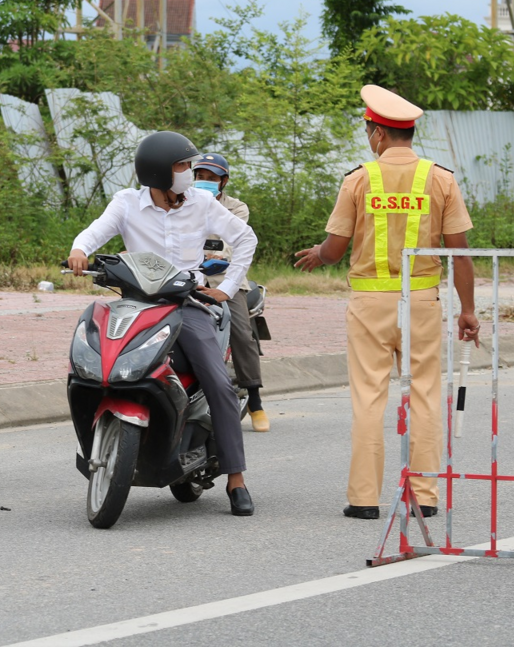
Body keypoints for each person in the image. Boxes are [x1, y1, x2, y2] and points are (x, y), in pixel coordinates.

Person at [295, 85, 480, 520]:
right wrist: (468, 310)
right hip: (422, 302)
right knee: (425, 396)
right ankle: (424, 498)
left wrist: (318, 254)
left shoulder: (359, 179)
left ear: (378, 133)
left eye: (368, 131)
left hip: (370, 304)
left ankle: (364, 500)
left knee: (368, 399)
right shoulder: (440, 179)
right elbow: (461, 254)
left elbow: (334, 249)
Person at [68, 131, 258, 516]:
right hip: (136, 302)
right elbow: (96, 230)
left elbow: (245, 238)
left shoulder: (202, 203)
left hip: (187, 304)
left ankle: (236, 478)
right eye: (182, 166)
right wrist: (79, 249)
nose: (189, 172)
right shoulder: (127, 203)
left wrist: (227, 289)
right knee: (97, 360)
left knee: (218, 381)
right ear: (158, 172)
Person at [193, 153, 269, 433]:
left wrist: (217, 254)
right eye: (200, 177)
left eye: (211, 178)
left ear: (223, 181)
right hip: (188, 276)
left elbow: (232, 241)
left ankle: (255, 401)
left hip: (226, 279)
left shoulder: (236, 207)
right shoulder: (181, 202)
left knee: (240, 332)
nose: (204, 181)